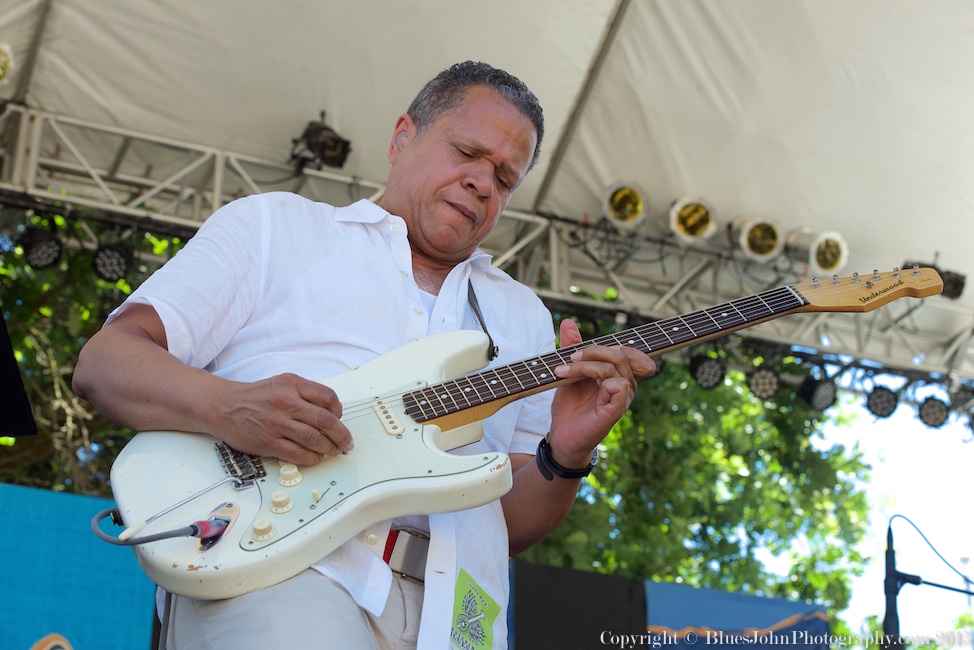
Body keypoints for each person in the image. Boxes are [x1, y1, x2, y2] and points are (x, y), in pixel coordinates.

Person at [73, 61, 654, 649]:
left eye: (505, 178)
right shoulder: (277, 226)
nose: (483, 182)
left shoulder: (525, 316)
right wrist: (227, 406)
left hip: (458, 616)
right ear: (403, 137)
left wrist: (567, 454)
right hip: (277, 567)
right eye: (468, 152)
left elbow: (510, 523)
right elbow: (105, 363)